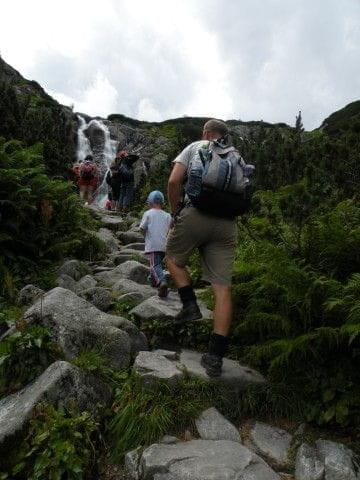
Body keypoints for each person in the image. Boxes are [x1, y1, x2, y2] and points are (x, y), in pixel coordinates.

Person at [166, 119, 237, 377]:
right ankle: (216, 356)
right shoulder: (234, 155)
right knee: (222, 288)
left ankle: (189, 305)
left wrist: (175, 211)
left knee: (173, 259)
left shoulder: (196, 145)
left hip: (196, 214)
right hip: (228, 223)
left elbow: (174, 181)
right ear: (224, 135)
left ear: (206, 133)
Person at [140, 190, 171, 298]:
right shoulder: (167, 215)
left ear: (150, 203)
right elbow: (171, 229)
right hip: (164, 245)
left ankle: (162, 282)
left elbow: (142, 228)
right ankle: (153, 281)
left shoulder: (147, 214)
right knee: (157, 263)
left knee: (154, 265)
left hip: (152, 244)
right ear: (162, 203)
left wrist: (145, 237)